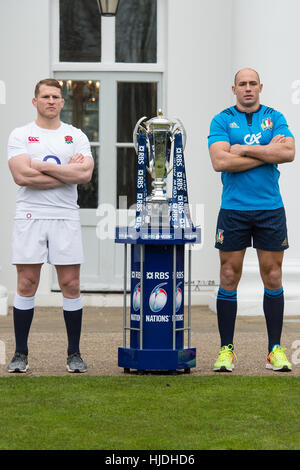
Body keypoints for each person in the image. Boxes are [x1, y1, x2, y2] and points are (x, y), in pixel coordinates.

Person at [208, 68, 295, 372]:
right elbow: (219, 161)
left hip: (270, 208)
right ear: (234, 89)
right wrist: (267, 151)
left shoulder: (276, 117)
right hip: (234, 209)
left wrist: (243, 148)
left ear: (261, 87)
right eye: (242, 84)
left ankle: (274, 350)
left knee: (272, 276)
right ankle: (226, 350)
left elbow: (288, 153)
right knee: (229, 275)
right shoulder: (221, 120)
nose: (247, 88)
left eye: (252, 84)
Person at [7, 78, 94, 373]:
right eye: (45, 96)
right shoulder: (21, 135)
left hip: (65, 215)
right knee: (27, 283)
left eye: (56, 96)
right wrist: (65, 172)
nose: (51, 101)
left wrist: (42, 165)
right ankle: (20, 353)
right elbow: (22, 177)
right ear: (35, 101)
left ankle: (74, 354)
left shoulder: (76, 136)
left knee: (70, 284)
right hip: (30, 214)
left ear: (63, 101)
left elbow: (84, 176)